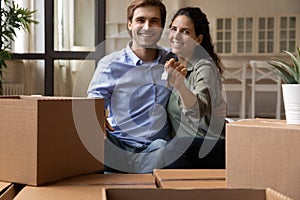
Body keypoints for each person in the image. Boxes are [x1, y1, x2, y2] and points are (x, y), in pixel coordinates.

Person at [87, 0, 182, 173]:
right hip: (117, 143)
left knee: (164, 148)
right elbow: (94, 100)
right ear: (130, 24)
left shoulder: (172, 61)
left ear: (161, 27)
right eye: (140, 20)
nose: (147, 27)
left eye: (154, 21)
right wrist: (97, 114)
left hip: (154, 149)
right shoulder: (110, 64)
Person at [162, 7, 227, 169]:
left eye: (185, 32)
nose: (176, 35)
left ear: (198, 39)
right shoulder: (171, 65)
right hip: (185, 147)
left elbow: (198, 111)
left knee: (173, 148)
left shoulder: (204, 67)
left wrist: (180, 86)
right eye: (173, 29)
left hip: (210, 146)